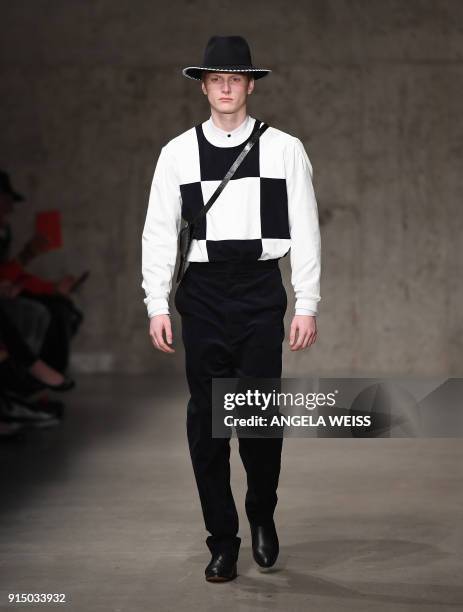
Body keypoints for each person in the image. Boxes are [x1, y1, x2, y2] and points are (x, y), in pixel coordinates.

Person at [141, 35, 321, 583]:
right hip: (203, 291)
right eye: (215, 78)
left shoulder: (285, 148)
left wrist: (306, 301)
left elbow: (307, 229)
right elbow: (157, 233)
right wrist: (156, 301)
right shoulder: (176, 153)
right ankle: (222, 539)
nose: (225, 86)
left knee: (259, 417)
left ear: (249, 84)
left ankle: (261, 512)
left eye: (235, 78)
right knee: (208, 423)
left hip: (261, 289)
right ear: (203, 85)